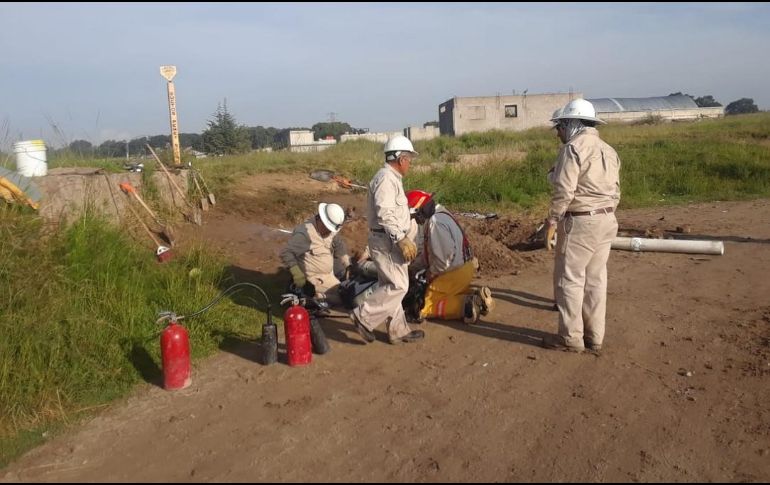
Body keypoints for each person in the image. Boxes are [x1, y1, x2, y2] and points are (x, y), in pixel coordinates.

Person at [542, 99, 621, 353]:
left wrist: (553, 220)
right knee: (596, 280)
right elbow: (616, 192)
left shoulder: (573, 149)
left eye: (560, 127)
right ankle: (595, 337)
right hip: (607, 219)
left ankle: (570, 338)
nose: (558, 133)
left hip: (581, 221)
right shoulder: (609, 150)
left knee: (571, 280)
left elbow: (564, 190)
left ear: (572, 123)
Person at [349, 135, 424, 344]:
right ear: (401, 159)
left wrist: (411, 218)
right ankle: (363, 316)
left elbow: (393, 212)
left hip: (387, 239)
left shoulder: (391, 179)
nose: (410, 163)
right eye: (409, 159)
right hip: (387, 241)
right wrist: (401, 238)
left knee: (391, 286)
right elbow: (384, 213)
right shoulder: (385, 179)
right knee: (399, 286)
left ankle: (398, 330)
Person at [405, 189, 494, 324]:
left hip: (454, 272)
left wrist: (430, 273)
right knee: (447, 292)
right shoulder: (442, 215)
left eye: (414, 217)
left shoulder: (436, 223)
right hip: (464, 269)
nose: (416, 221)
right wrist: (414, 267)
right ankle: (477, 296)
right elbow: (429, 254)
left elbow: (443, 260)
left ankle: (466, 306)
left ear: (419, 211)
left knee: (425, 305)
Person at [280, 202, 351, 306]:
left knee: (349, 290)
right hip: (314, 279)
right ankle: (312, 298)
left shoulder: (329, 230)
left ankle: (319, 299)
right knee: (347, 298)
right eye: (328, 228)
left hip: (328, 275)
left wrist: (347, 264)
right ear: (321, 220)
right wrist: (296, 273)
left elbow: (338, 242)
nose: (330, 232)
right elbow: (286, 253)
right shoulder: (305, 234)